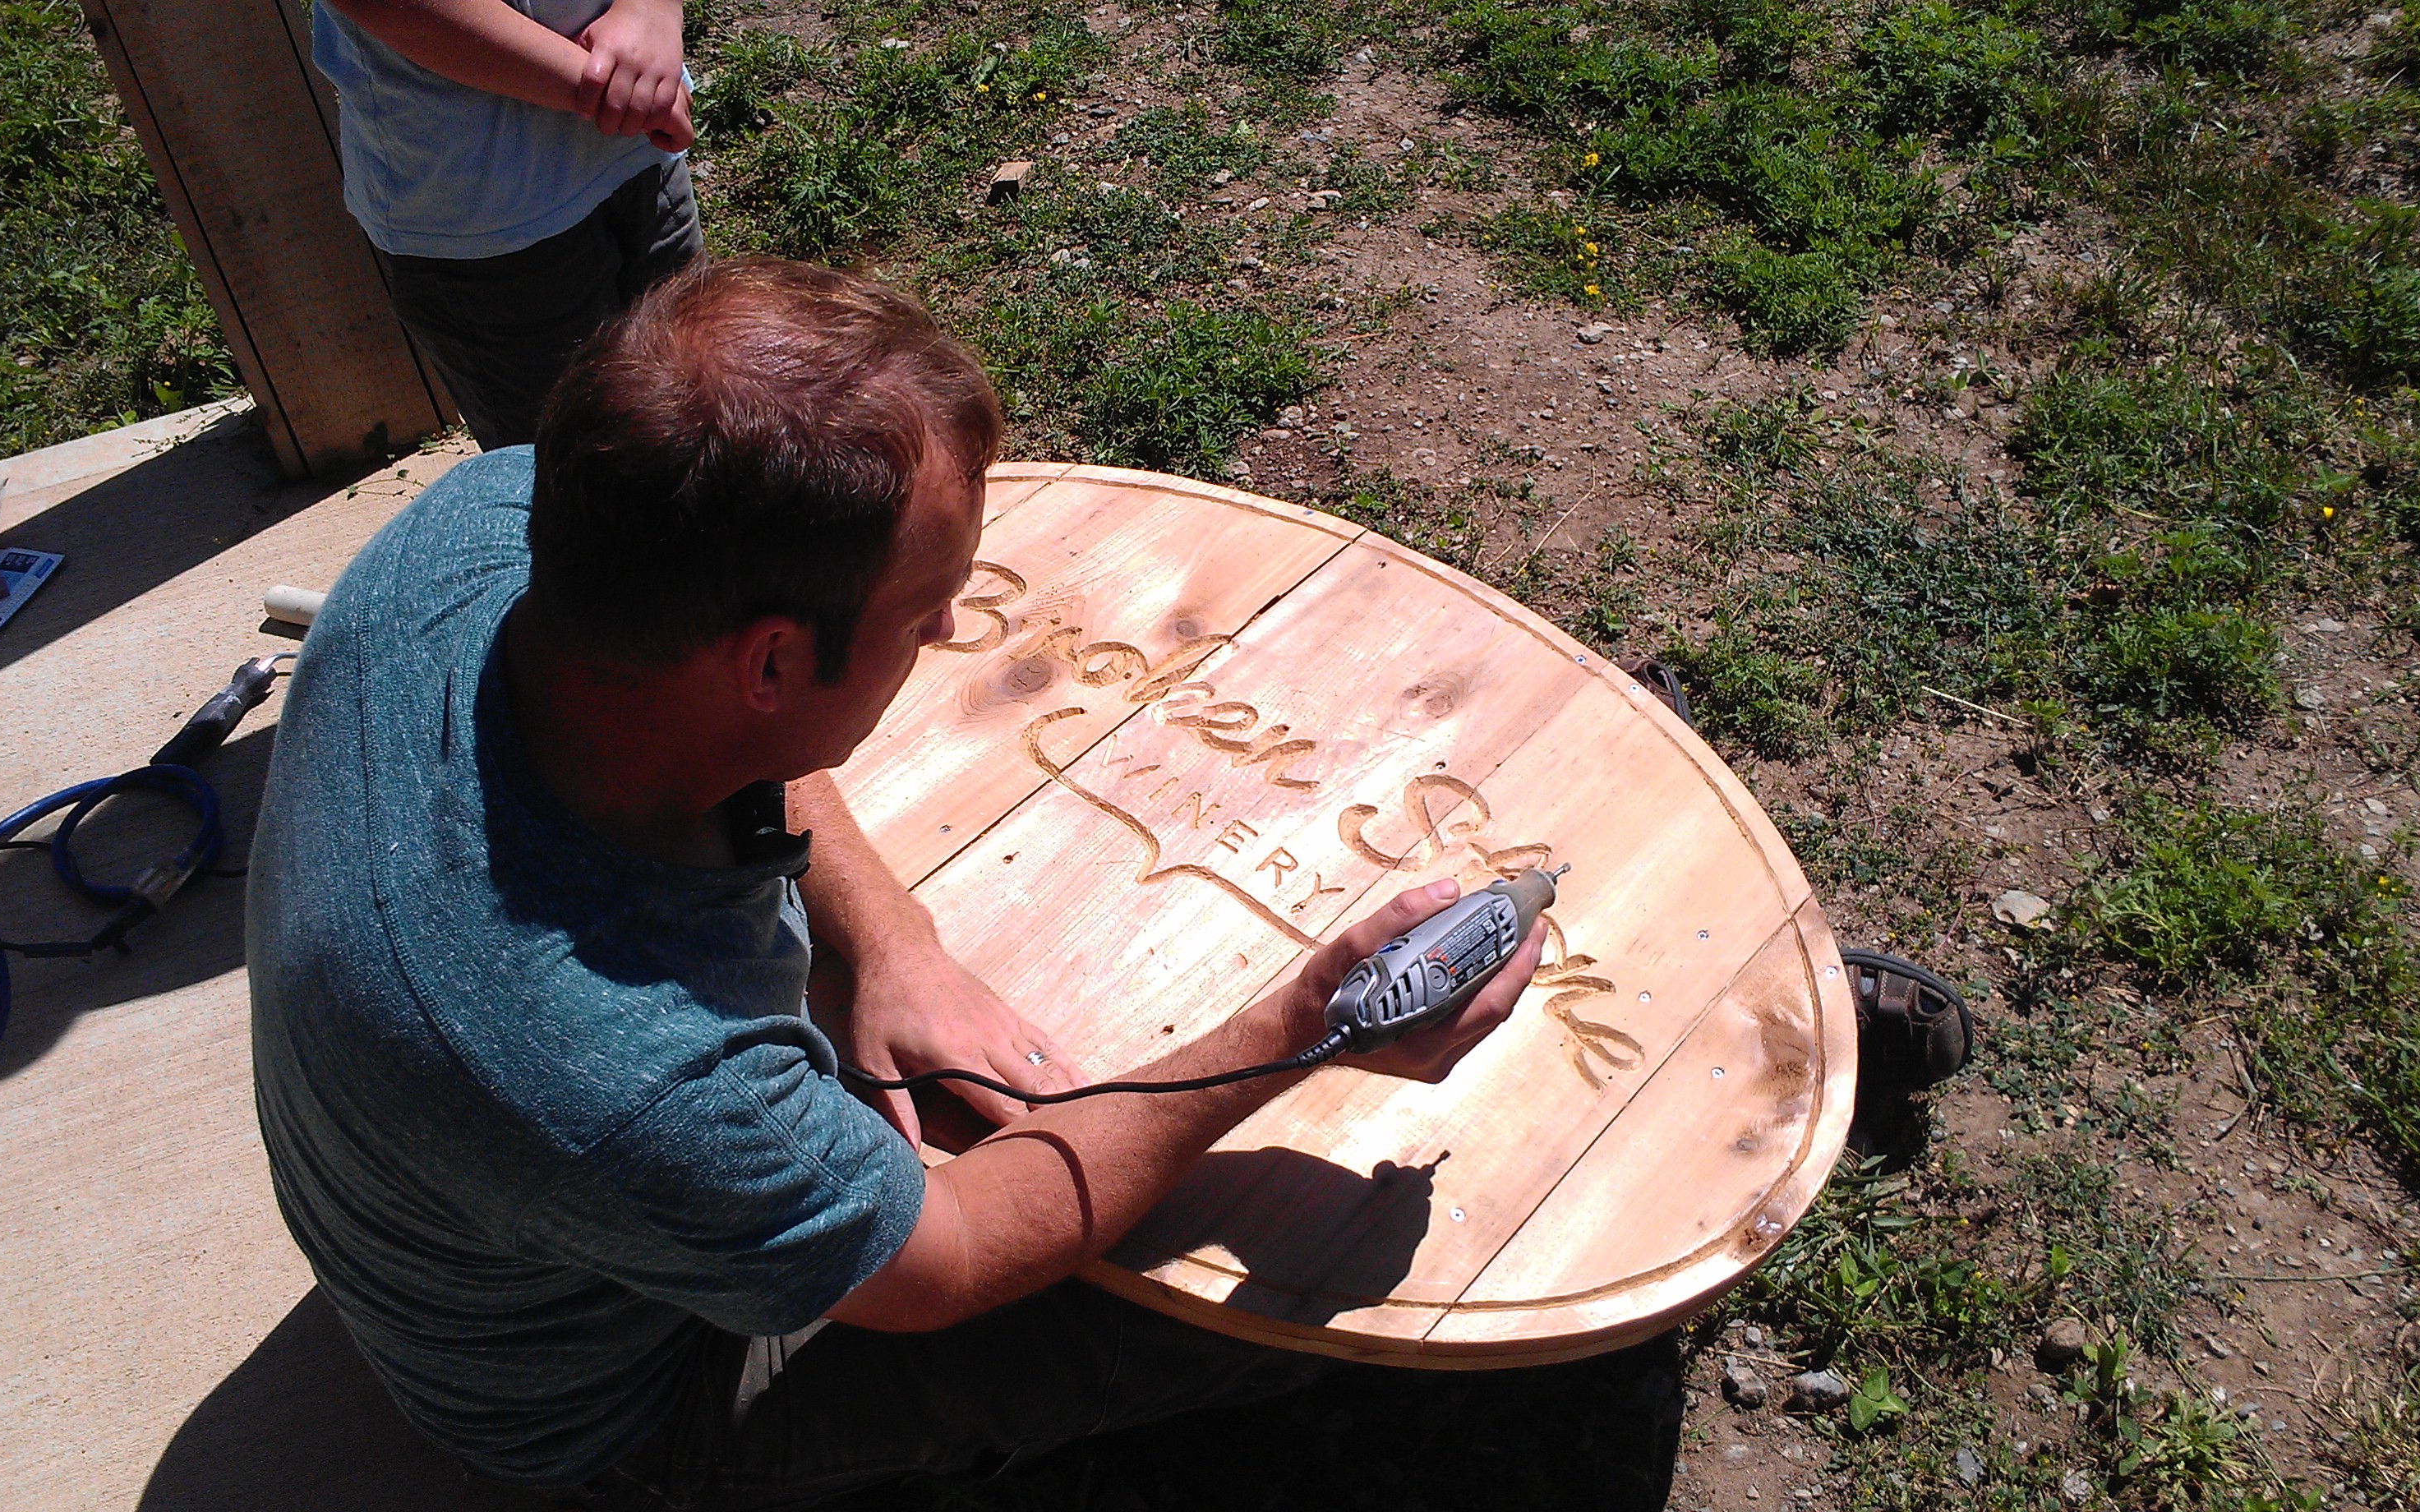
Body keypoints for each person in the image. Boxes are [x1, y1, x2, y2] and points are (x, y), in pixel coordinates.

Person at [245, 256, 1544, 1509]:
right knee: (1274, 1306)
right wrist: (1304, 1023)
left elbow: (752, 745)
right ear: (767, 665)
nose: (945, 632)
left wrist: (887, 942)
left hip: (502, 1187)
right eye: (925, 606)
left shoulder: (499, 529)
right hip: (629, 1393)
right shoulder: (618, 1069)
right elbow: (959, 1248)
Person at [311, 0, 703, 449]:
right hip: (487, 232)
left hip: (641, 156)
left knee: (696, 422)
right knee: (568, 469)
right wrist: (608, 89)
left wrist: (651, 12)